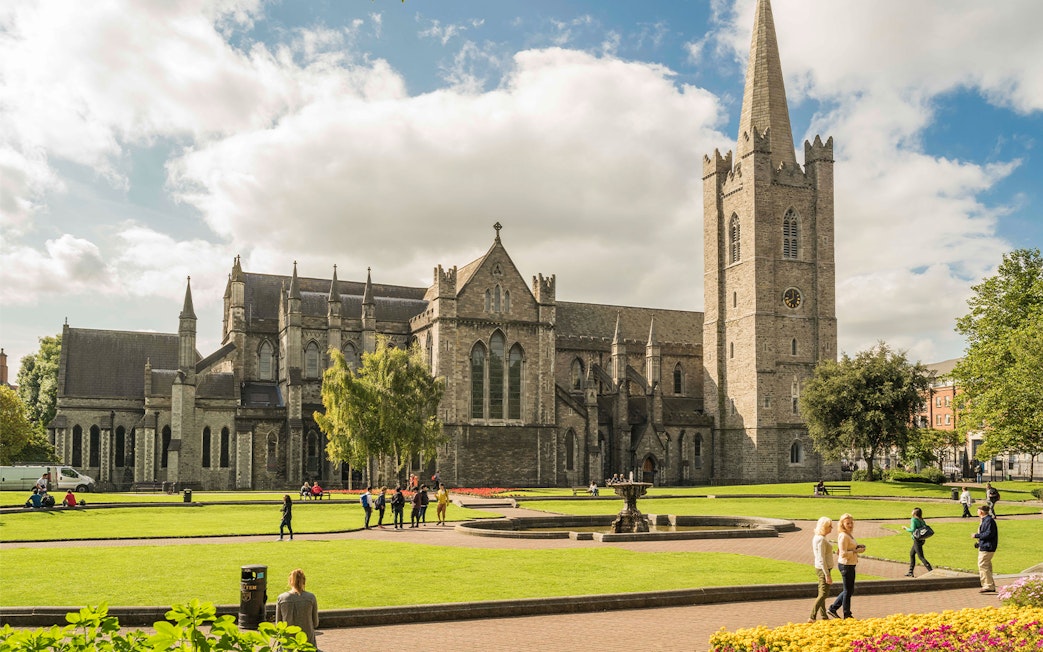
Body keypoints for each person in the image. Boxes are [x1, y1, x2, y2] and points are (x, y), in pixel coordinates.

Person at [828, 513, 865, 619]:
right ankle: (847, 614)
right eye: (847, 523)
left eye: (851, 523)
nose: (850, 525)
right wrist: (855, 551)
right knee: (848, 591)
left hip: (851, 564)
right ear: (842, 524)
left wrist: (858, 547)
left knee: (849, 590)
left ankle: (833, 608)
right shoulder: (843, 536)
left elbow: (848, 548)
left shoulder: (848, 534)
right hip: (846, 565)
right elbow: (842, 553)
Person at [275, 568, 319, 647]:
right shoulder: (311, 598)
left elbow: (278, 624)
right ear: (304, 581)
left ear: (290, 581)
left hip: (287, 643)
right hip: (307, 642)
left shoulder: (282, 598)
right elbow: (315, 623)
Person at [809, 516, 834, 622]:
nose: (831, 528)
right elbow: (821, 558)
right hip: (823, 569)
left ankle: (824, 616)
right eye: (829, 526)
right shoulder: (821, 539)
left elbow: (824, 554)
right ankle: (812, 616)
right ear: (824, 527)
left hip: (822, 568)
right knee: (824, 593)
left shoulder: (819, 538)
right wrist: (827, 574)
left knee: (822, 593)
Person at [973, 504, 998, 593]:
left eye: (978, 510)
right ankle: (990, 585)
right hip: (985, 545)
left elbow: (989, 534)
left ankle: (988, 586)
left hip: (987, 547)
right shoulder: (986, 520)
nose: (977, 512)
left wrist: (976, 535)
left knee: (982, 565)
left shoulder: (988, 521)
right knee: (987, 565)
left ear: (981, 512)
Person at [903, 507, 933, 576]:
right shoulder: (921, 519)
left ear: (914, 513)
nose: (911, 512)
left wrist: (905, 528)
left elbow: (912, 529)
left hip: (917, 540)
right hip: (922, 539)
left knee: (921, 557)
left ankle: (931, 571)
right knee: (912, 554)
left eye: (912, 511)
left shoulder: (913, 520)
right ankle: (910, 572)